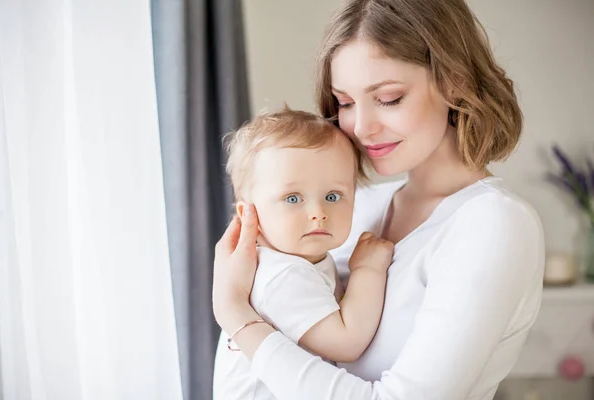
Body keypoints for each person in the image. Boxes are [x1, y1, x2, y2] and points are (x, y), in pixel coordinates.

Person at [212, 0, 546, 398]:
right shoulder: (358, 205)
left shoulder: (493, 224)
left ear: (455, 81)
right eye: (346, 103)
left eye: (388, 98)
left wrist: (236, 315)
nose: (362, 127)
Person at [213, 108, 395, 400]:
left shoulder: (304, 258)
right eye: (293, 198)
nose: (318, 214)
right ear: (249, 213)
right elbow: (347, 343)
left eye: (333, 196)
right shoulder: (282, 274)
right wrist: (368, 270)